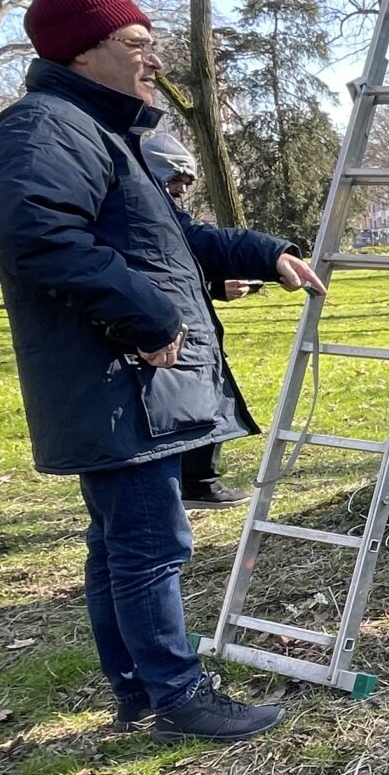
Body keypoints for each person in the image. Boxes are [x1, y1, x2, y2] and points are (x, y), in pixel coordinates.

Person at [0, 0, 323, 741]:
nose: (154, 61)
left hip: (126, 380)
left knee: (120, 546)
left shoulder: (104, 135)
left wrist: (266, 254)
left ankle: (138, 690)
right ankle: (178, 697)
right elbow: (39, 237)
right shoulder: (45, 129)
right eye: (136, 45)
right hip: (114, 379)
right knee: (148, 545)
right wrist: (146, 318)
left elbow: (173, 241)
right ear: (80, 50)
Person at [144, 124, 255, 511]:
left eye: (187, 184)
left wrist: (213, 287)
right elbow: (152, 274)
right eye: (175, 182)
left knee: (205, 395)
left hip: (184, 325)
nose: (183, 191)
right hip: (159, 333)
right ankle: (190, 482)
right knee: (186, 402)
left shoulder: (167, 215)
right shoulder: (140, 217)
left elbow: (183, 263)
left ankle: (198, 479)